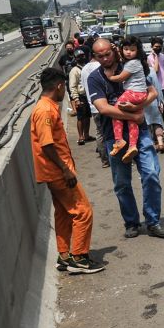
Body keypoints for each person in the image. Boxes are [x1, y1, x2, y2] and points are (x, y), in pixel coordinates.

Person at [88, 38, 164, 240]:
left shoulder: (133, 66)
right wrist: (134, 115)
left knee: (151, 174)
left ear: (114, 50)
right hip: (114, 137)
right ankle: (132, 222)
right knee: (122, 182)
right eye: (100, 56)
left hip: (141, 133)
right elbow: (103, 108)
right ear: (95, 57)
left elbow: (152, 92)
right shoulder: (95, 78)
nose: (105, 58)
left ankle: (153, 221)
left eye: (108, 54)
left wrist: (138, 107)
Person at [30, 67, 105, 274]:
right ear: (60, 86)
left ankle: (64, 256)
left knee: (64, 213)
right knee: (83, 212)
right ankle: (79, 257)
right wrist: (65, 170)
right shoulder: (45, 110)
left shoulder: (46, 106)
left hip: (52, 172)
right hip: (57, 172)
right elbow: (47, 144)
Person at [103, 36, 149, 163]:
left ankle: (119, 140)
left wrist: (110, 76)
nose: (128, 52)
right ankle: (132, 146)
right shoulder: (133, 62)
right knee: (130, 118)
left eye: (132, 50)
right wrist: (116, 49)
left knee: (116, 112)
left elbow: (121, 78)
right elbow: (121, 58)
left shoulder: (133, 63)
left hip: (133, 93)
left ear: (138, 51)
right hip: (139, 95)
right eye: (126, 49)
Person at [78, 45, 109, 168]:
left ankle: (104, 160)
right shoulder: (100, 67)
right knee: (111, 132)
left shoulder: (84, 69)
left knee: (100, 133)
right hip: (105, 104)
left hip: (93, 106)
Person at [68, 47, 96, 145]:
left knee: (87, 116)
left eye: (83, 56)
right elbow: (72, 86)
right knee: (80, 117)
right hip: (80, 96)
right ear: (75, 58)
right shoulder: (74, 71)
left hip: (87, 95)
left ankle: (87, 135)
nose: (82, 57)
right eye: (79, 56)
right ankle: (80, 137)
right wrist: (76, 99)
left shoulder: (87, 67)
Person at [147, 37, 164, 127]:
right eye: (156, 46)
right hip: (157, 86)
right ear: (152, 47)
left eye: (159, 46)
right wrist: (156, 57)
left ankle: (163, 126)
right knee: (159, 107)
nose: (158, 48)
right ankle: (160, 127)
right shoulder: (149, 58)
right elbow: (155, 70)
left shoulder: (163, 56)